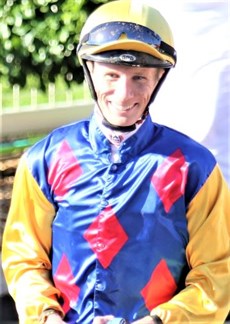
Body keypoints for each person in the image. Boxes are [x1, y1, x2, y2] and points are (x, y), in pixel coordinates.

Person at [2, 0, 230, 323]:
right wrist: (46, 316)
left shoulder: (195, 168)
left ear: (160, 77)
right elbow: (24, 258)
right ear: (89, 70)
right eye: (111, 75)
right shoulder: (46, 159)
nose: (124, 95)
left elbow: (218, 273)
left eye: (139, 77)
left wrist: (159, 321)